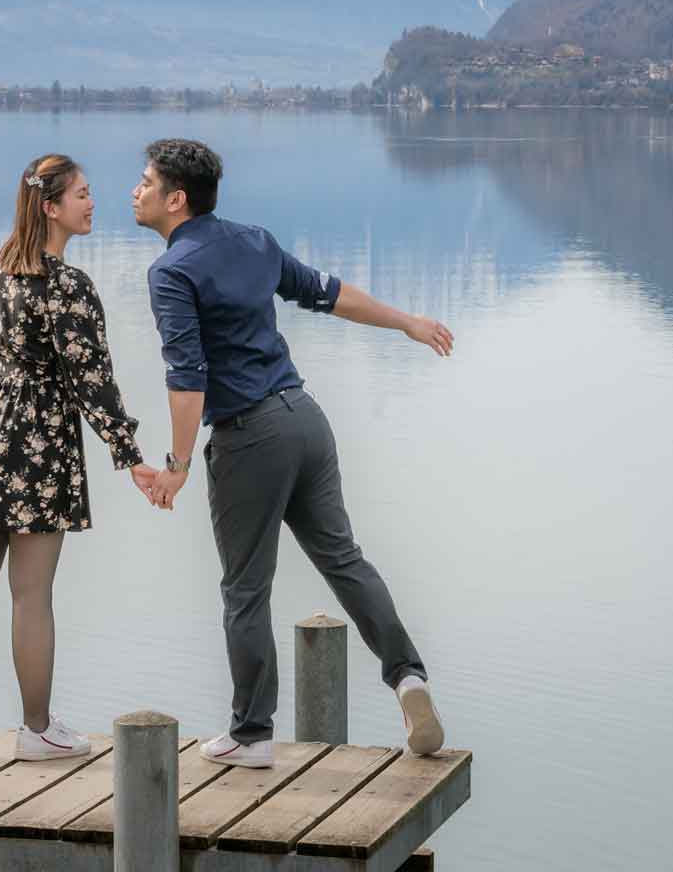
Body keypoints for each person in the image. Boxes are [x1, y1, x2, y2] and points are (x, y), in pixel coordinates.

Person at [128, 138, 454, 767]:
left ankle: (251, 735)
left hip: (249, 437)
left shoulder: (170, 272)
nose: (134, 192)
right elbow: (328, 293)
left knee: (245, 589)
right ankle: (408, 677)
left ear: (176, 199)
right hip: (305, 419)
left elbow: (187, 378)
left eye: (144, 182)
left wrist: (176, 467)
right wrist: (406, 321)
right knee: (343, 559)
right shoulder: (254, 240)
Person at [0, 153, 154, 762]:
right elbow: (93, 383)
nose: (92, 201)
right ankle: (35, 729)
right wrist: (131, 456)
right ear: (50, 207)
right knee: (31, 595)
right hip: (39, 446)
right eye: (81, 193)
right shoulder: (68, 287)